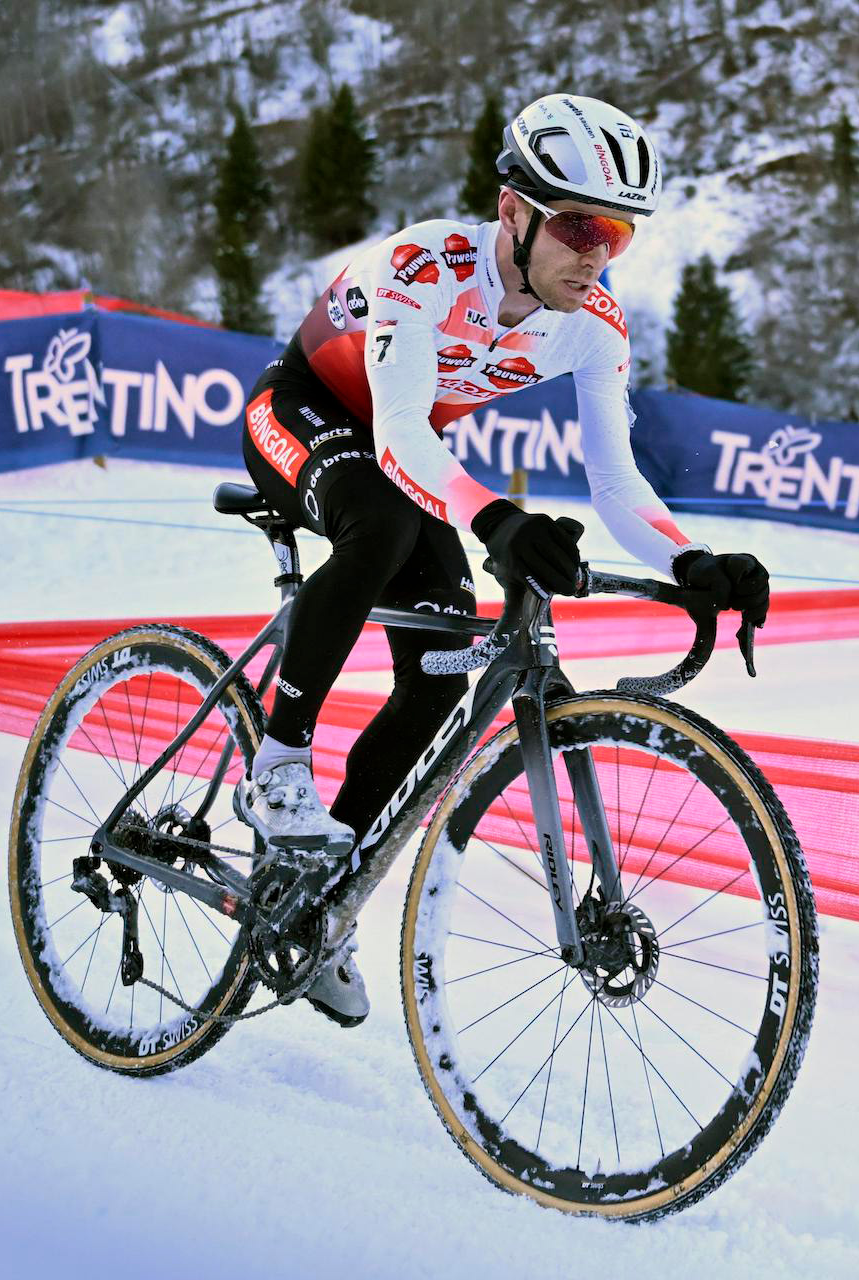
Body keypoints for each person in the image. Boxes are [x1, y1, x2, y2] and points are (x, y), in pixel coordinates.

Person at [235, 94, 769, 1026]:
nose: (598, 250)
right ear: (512, 209)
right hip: (305, 414)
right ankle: (277, 763)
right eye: (578, 224)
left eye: (620, 233)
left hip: (409, 458)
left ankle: (321, 907)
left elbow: (615, 480)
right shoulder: (425, 268)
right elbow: (397, 436)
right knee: (381, 523)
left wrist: (693, 562)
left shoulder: (593, 322)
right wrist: (500, 520)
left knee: (442, 669)